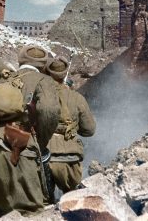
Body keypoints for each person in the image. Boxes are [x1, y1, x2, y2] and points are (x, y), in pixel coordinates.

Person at [0, 43, 61, 215]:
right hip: (17, 151)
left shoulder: (10, 78)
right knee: (32, 213)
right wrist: (40, 141)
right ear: (43, 67)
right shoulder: (44, 81)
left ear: (20, 62)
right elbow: (49, 111)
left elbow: (1, 69)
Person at [44, 56, 96, 193]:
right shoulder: (77, 98)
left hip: (44, 155)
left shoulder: (40, 96)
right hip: (70, 156)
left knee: (43, 205)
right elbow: (89, 130)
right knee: (72, 197)